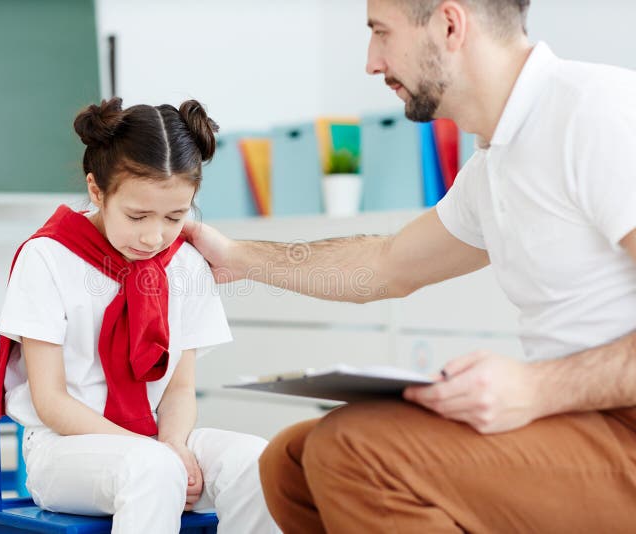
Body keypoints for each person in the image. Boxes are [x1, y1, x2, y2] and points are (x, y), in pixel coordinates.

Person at [183, 0, 636, 532]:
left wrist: (538, 389)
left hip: (618, 431)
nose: (372, 63)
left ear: (449, 24)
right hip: (578, 427)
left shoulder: (597, 112)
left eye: (381, 32)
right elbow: (386, 265)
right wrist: (241, 257)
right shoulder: (496, 162)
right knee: (289, 464)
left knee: (352, 452)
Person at [0, 97, 279, 534]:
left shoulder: (186, 265)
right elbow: (51, 402)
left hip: (158, 437)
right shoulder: (47, 257)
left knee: (259, 464)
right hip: (65, 449)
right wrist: (159, 454)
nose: (154, 235)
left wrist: (174, 444)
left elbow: (180, 388)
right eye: (137, 215)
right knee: (153, 470)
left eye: (175, 216)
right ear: (96, 190)